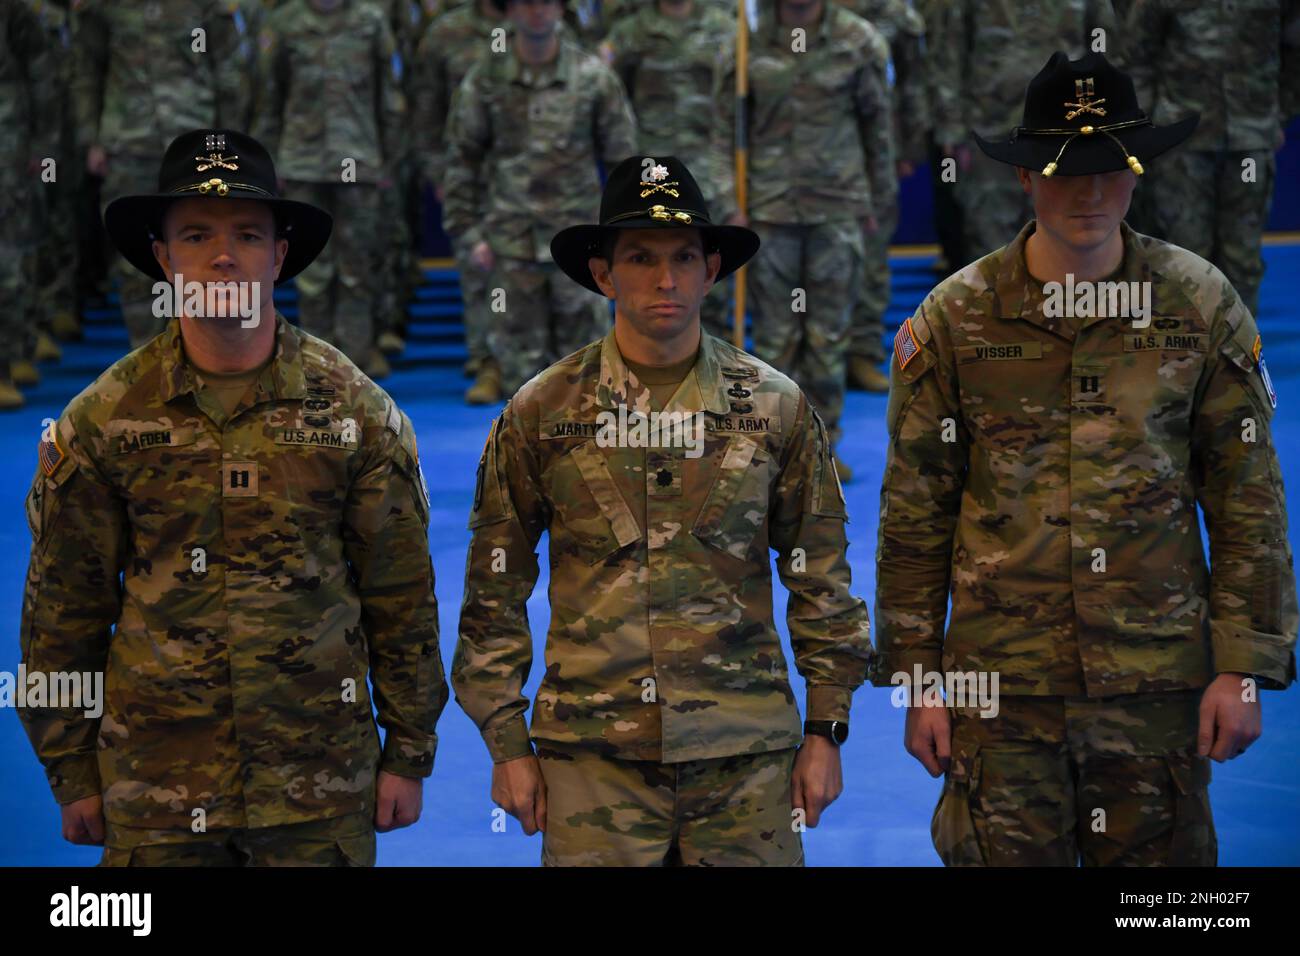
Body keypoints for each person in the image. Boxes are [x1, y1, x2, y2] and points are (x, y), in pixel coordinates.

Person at [873, 52, 1297, 866]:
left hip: (1157, 688)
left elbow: (1248, 500)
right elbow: (915, 512)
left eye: (1111, 167)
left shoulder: (1198, 305)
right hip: (997, 693)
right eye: (1065, 169)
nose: (1090, 191)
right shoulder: (957, 319)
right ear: (1026, 179)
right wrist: (918, 679)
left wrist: (1243, 666)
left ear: (1137, 176)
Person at [17, 128, 447, 866]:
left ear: (279, 255)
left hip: (318, 784)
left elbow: (400, 597)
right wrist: (71, 769)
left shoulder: (356, 413)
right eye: (196, 235)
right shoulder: (104, 419)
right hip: (156, 785)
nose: (223, 255)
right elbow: (64, 612)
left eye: (249, 234)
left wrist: (408, 751)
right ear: (163, 257)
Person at [452, 155, 874, 867]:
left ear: (713, 269)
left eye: (684, 257)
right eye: (640, 258)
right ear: (603, 274)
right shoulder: (542, 412)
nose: (666, 279)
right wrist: (506, 744)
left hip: (746, 755)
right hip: (593, 759)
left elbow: (823, 580)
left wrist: (826, 728)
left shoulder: (775, 407)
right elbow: (493, 591)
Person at [711, 0, 896, 481]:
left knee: (827, 336)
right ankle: (774, 448)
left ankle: (822, 447)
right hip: (769, 209)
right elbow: (722, 131)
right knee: (775, 337)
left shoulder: (857, 41)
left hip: (837, 206)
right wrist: (729, 199)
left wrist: (878, 199)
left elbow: (878, 126)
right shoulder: (746, 42)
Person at [441, 0, 637, 400]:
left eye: (547, 2)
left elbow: (623, 165)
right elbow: (462, 160)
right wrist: (469, 235)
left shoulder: (592, 78)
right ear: (510, 11)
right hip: (510, 244)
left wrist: (618, 241)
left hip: (578, 243)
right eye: (525, 3)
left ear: (561, 9)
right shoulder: (485, 79)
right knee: (523, 386)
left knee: (589, 377)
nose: (537, 11)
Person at [72, 0, 249, 349]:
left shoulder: (209, 6)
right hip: (129, 143)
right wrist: (91, 138)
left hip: (197, 145)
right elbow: (87, 72)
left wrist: (230, 144)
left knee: (201, 254)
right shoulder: (104, 8)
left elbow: (231, 73)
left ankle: (198, 355)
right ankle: (147, 357)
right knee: (134, 257)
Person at [253, 0, 403, 379]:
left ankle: (356, 354)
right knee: (311, 269)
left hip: (359, 156)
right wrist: (267, 162)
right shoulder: (285, 23)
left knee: (358, 263)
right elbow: (269, 97)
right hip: (302, 160)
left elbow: (388, 94)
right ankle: (317, 354)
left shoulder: (370, 22)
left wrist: (389, 158)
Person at [1123, 0, 1300, 316]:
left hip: (1249, 142)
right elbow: (1139, 56)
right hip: (1183, 141)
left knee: (1242, 255)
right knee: (1185, 251)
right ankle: (1189, 352)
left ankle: (1239, 352)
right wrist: (1148, 127)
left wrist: (1278, 113)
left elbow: (1294, 51)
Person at [929, 0, 1115, 264]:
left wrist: (1110, 118)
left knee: (1069, 234)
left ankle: (1064, 303)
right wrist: (951, 126)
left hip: (1066, 128)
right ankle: (1000, 303)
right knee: (991, 235)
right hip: (990, 128)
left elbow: (1107, 49)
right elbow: (949, 52)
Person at [601, 0, 735, 342]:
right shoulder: (630, 33)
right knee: (649, 273)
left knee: (710, 280)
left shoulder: (726, 29)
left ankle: (713, 371)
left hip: (710, 171)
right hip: (649, 174)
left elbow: (739, 103)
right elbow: (613, 100)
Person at [410, 0, 509, 402]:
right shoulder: (445, 34)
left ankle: (539, 368)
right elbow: (426, 112)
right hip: (473, 174)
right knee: (479, 273)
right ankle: (488, 362)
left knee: (539, 276)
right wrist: (438, 171)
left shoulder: (544, 31)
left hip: (543, 178)